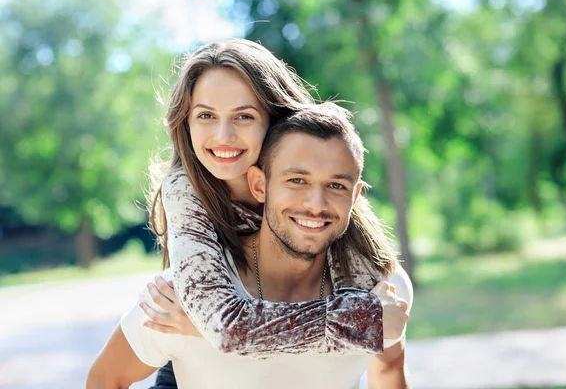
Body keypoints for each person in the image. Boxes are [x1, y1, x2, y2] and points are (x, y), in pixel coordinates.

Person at [87, 104, 412, 389]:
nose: (316, 203)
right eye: (296, 180)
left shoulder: (382, 291)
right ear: (259, 184)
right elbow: (105, 379)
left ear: (354, 198)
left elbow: (389, 367)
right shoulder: (186, 300)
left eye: (336, 185)